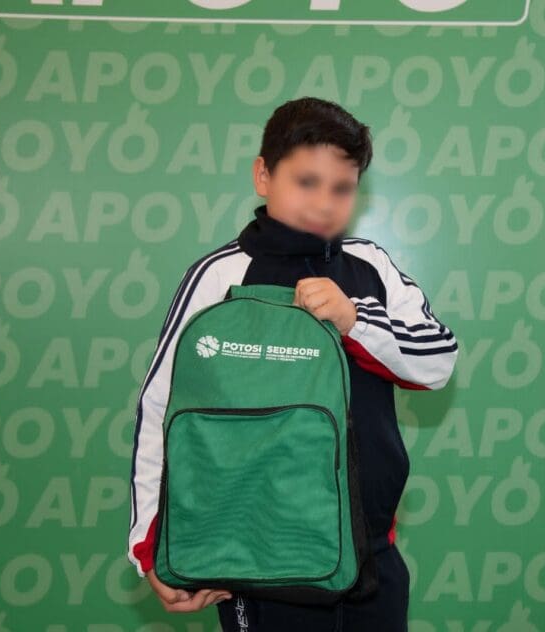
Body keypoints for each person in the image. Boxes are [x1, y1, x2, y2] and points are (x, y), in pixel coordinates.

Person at [126, 96, 459, 631]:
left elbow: (438, 360)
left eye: (342, 188)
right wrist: (148, 545)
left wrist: (356, 321)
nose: (324, 202)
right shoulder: (218, 276)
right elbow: (160, 409)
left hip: (370, 557)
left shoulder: (372, 266)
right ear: (263, 175)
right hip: (256, 558)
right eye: (307, 181)